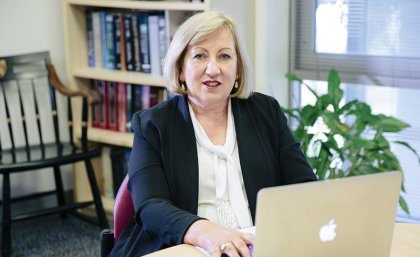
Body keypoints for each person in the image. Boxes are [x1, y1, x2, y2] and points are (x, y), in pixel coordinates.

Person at [110, 10, 317, 257]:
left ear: (238, 69)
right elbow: (150, 206)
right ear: (179, 70)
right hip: (183, 246)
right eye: (200, 56)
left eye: (224, 56)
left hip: (256, 245)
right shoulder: (153, 124)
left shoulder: (265, 112)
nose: (213, 69)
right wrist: (210, 234)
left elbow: (304, 186)